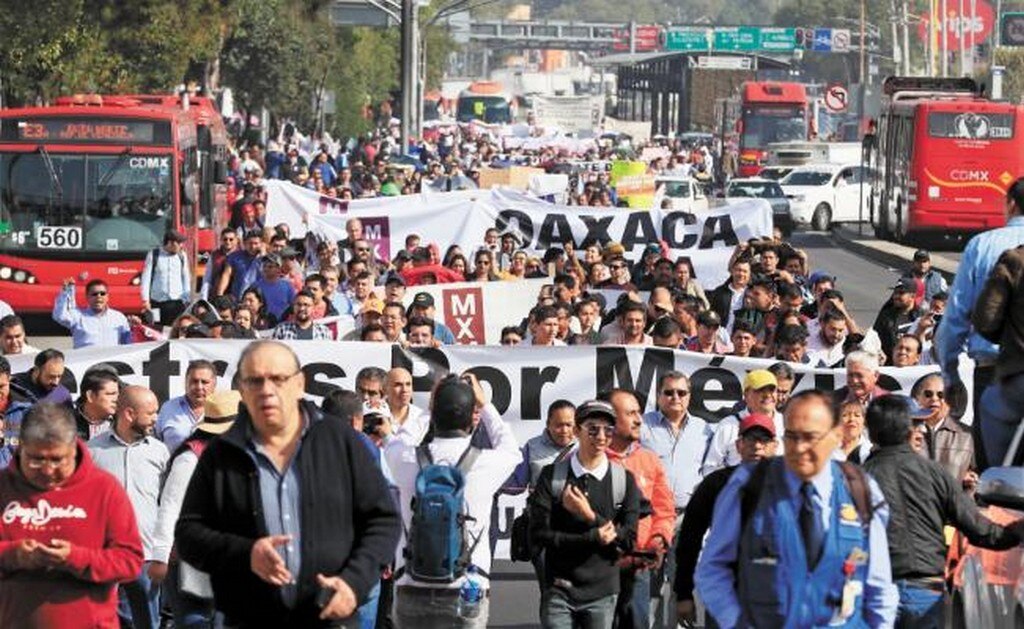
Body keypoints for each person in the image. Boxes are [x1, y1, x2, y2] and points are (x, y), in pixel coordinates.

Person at [175, 340, 401, 627]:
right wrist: (245, 553)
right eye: (255, 381)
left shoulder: (338, 442)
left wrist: (355, 581)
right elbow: (189, 534)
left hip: (329, 618)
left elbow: (383, 520)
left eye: (278, 379)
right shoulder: (221, 454)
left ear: (299, 383)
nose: (267, 390)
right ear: (242, 390)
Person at [696, 391, 899, 627]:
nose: (799, 448)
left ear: (836, 435)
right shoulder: (749, 486)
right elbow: (713, 568)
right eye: (792, 437)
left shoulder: (861, 490)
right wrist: (736, 621)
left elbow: (880, 585)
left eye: (810, 437)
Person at [862, 395, 1024, 627]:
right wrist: (1015, 532)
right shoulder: (934, 474)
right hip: (925, 593)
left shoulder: (857, 478)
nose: (920, 430)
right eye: (916, 424)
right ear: (908, 431)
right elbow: (979, 530)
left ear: (871, 432)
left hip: (875, 594)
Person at [386, 374, 521, 628]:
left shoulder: (403, 457)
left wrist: (428, 410)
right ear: (473, 417)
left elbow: (399, 438)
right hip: (467, 589)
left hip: (410, 586)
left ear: (434, 415)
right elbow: (510, 447)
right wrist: (486, 405)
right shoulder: (486, 462)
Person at [0, 402, 144, 627]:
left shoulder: (104, 489)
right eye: (36, 459)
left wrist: (76, 558)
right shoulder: (4, 488)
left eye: (57, 460)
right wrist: (14, 555)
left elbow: (130, 561)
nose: (47, 470)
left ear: (74, 450)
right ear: (21, 448)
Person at [936, 177, 1024, 472]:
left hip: (995, 374)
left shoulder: (984, 246)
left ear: (1011, 204)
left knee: (995, 475)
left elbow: (957, 316)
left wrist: (949, 373)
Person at [529, 399, 641, 629]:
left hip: (603, 593)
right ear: (577, 431)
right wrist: (593, 537)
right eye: (593, 429)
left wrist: (590, 515)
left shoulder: (623, 480)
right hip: (559, 589)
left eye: (608, 430)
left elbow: (629, 540)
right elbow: (539, 535)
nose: (601, 436)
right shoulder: (553, 476)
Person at [675, 413, 779, 627]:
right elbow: (689, 539)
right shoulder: (715, 484)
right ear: (739, 445)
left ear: (774, 446)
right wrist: (683, 593)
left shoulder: (790, 486)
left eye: (764, 440)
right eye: (751, 439)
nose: (757, 446)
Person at [152, 390, 240, 628]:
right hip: (190, 559)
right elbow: (170, 506)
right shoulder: (191, 458)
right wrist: (160, 555)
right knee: (195, 620)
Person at [88, 385, 169, 629]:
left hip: (145, 556)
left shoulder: (159, 452)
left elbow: (168, 503)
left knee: (147, 622)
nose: (156, 419)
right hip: (104, 555)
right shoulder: (92, 451)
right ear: (129, 414)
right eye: (151, 413)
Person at [604, 389, 675, 629]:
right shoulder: (588, 459)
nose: (639, 419)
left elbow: (664, 510)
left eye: (639, 413)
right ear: (611, 419)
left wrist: (658, 538)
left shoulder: (649, 459)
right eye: (631, 413)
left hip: (638, 570)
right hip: (596, 571)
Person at [972, 242, 1024, 466]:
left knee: (990, 406)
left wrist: (1010, 341)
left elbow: (986, 319)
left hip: (1018, 374)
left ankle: (998, 488)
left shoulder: (1015, 260)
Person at [702, 369, 783, 474]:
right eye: (760, 390)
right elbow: (710, 468)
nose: (767, 395)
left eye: (771, 390)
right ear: (746, 394)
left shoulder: (788, 423)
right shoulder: (728, 425)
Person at [912, 373, 976, 488]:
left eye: (941, 395)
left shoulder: (967, 435)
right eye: (928, 394)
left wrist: (971, 480)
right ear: (917, 398)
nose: (934, 398)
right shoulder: (903, 432)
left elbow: (979, 475)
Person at [156, 360, 218, 454]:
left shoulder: (225, 411)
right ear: (185, 382)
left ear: (214, 385)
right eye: (194, 381)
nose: (199, 387)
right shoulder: (168, 408)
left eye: (205, 382)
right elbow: (155, 444)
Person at [53, 278, 132, 348]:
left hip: (110, 362)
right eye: (94, 294)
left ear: (107, 296)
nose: (99, 296)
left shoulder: (119, 317)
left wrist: (135, 328)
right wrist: (66, 291)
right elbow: (60, 316)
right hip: (86, 361)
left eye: (102, 293)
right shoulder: (78, 316)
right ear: (87, 297)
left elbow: (128, 343)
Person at [141, 230, 192, 325]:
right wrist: (145, 301)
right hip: (157, 302)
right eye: (179, 243)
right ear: (170, 242)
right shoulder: (153, 255)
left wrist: (187, 299)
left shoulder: (182, 256)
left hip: (177, 302)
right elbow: (146, 279)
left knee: (175, 329)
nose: (181, 246)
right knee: (157, 329)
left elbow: (186, 278)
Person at [873, 278, 924, 362]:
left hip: (912, 368)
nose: (896, 296)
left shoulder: (921, 317)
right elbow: (875, 338)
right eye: (895, 292)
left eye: (901, 293)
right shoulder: (886, 315)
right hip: (888, 366)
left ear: (912, 296)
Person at [73, 368, 120, 441]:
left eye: (117, 394)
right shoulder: (65, 424)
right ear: (90, 396)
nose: (116, 399)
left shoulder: (123, 423)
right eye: (110, 394)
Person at [385, 367, 428, 446]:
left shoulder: (422, 418)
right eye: (398, 385)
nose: (404, 390)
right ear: (385, 389)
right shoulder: (377, 414)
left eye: (408, 384)